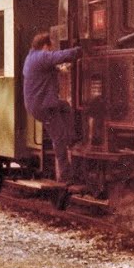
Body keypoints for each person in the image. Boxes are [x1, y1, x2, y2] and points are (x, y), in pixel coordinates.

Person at [22, 32, 82, 183]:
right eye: (50, 48)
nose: (51, 50)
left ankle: (71, 138)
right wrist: (79, 50)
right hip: (44, 106)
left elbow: (44, 70)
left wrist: (59, 70)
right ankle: (65, 176)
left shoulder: (31, 57)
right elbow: (59, 56)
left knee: (66, 107)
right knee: (58, 138)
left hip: (41, 103)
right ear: (45, 46)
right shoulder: (41, 56)